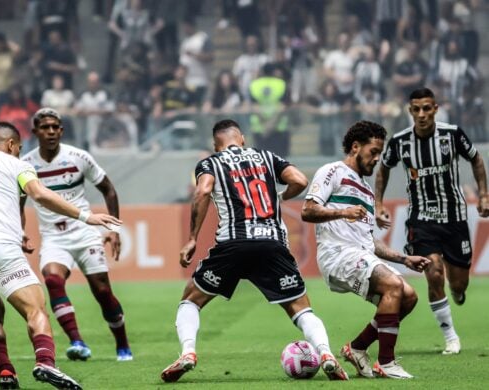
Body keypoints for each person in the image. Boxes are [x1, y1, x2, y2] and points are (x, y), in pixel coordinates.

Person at [160, 119, 349, 383]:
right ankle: (326, 354)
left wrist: (192, 238)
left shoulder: (210, 163)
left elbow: (202, 192)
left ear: (216, 144)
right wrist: (279, 197)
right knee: (300, 308)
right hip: (272, 244)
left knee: (191, 299)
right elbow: (300, 180)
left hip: (232, 244)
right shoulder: (267, 157)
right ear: (242, 139)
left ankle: (188, 353)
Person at [0, 122, 121, 389]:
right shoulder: (18, 165)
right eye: (19, 148)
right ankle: (46, 363)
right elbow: (38, 193)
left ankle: (6, 373)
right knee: (36, 310)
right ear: (11, 145)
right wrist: (86, 216)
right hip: (1, 249)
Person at [302, 120, 431, 379]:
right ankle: (386, 362)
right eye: (373, 152)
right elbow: (308, 210)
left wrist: (404, 258)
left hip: (360, 253)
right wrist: (342, 211)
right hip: (337, 254)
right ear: (355, 147)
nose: (376, 159)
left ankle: (357, 347)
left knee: (408, 296)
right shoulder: (333, 171)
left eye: (380, 154)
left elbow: (370, 241)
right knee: (393, 286)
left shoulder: (367, 192)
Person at [375, 87, 489, 355]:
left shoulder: (452, 135)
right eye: (417, 109)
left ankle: (457, 292)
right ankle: (450, 337)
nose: (422, 114)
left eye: (427, 108)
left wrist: (484, 194)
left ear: (435, 109)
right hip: (421, 219)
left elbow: (476, 159)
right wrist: (378, 204)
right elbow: (383, 170)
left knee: (459, 283)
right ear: (410, 111)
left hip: (455, 218)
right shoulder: (400, 142)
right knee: (434, 271)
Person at [20, 108, 133, 362]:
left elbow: (108, 189)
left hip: (85, 232)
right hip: (53, 236)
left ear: (61, 130)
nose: (51, 132)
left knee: (102, 291)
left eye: (55, 127)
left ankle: (123, 345)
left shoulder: (78, 157)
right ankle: (77, 342)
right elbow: (18, 202)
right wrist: (20, 231)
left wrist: (113, 229)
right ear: (35, 131)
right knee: (52, 279)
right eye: (45, 127)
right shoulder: (26, 165)